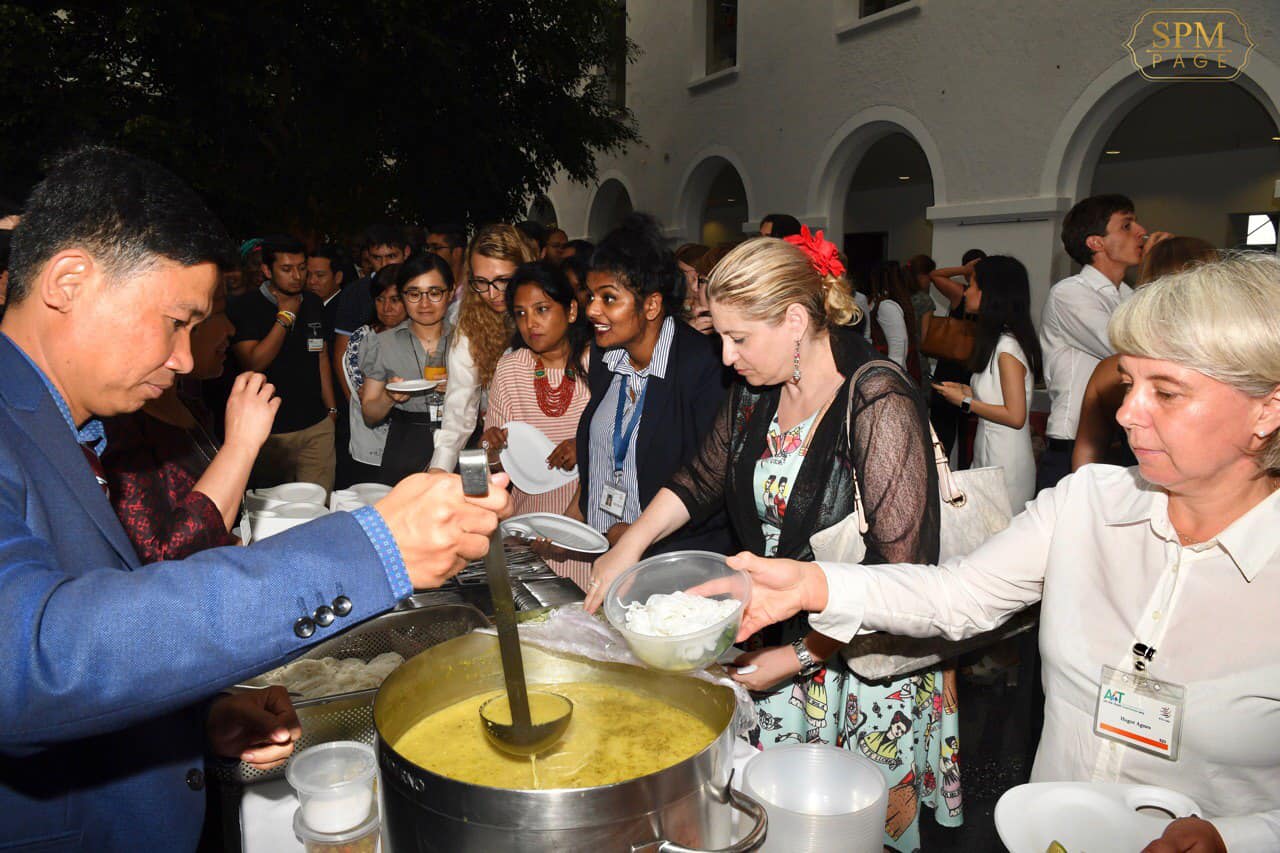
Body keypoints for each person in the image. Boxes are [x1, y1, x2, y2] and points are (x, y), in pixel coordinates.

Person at [0, 146, 510, 851]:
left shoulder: (69, 426)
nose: (185, 357)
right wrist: (369, 546)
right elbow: (33, 658)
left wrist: (191, 721)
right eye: (175, 321)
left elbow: (103, 633)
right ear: (69, 280)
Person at [717, 251, 1280, 853]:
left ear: (1267, 410)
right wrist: (812, 585)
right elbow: (957, 595)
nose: (1125, 412)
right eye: (1128, 383)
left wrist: (1234, 837)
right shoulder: (1087, 502)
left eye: (1165, 392)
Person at [585, 231, 958, 852]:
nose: (726, 357)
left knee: (840, 834)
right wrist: (631, 544)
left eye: (739, 338)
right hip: (782, 639)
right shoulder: (758, 390)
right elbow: (701, 478)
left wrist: (801, 656)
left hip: (860, 664)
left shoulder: (877, 398)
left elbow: (901, 574)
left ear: (794, 321)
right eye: (719, 336)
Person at [575, 213, 732, 553]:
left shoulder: (702, 368)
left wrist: (640, 536)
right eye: (590, 296)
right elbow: (602, 452)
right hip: (603, 551)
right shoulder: (605, 357)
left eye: (608, 298)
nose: (592, 310)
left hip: (670, 563)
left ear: (651, 305)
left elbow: (712, 488)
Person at [101, 274, 273, 560]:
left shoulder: (191, 404)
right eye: (218, 313)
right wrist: (240, 446)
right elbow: (159, 559)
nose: (230, 328)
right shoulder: (120, 428)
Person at [1039, 194, 1169, 491]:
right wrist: (1155, 271)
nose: (1141, 232)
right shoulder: (1070, 293)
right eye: (1126, 226)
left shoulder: (1128, 294)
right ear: (1096, 243)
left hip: (1122, 436)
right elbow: (1129, 346)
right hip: (1075, 441)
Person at [482, 262, 592, 585]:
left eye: (541, 309)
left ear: (571, 311)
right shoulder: (511, 368)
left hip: (588, 520)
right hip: (528, 525)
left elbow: (623, 449)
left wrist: (585, 446)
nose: (530, 323)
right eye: (521, 313)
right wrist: (491, 448)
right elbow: (495, 465)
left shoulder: (598, 363)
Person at [1072, 236, 1217, 471]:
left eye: (1167, 394)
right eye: (1129, 385)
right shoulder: (1232, 370)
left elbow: (1084, 467)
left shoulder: (1110, 370)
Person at [228, 234, 339, 490]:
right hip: (271, 432)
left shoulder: (312, 301)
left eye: (302, 268)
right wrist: (286, 315)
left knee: (319, 503)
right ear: (267, 270)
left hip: (317, 426)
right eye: (287, 269)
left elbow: (320, 354)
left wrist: (331, 410)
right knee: (274, 508)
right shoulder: (247, 306)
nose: (297, 276)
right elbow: (254, 362)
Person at [933, 256, 1044, 509]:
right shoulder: (998, 343)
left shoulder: (1008, 347)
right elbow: (998, 396)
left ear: (990, 293)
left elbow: (1015, 416)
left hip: (1006, 461)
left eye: (972, 285)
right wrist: (967, 391)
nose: (966, 292)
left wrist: (965, 401)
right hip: (988, 452)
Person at [428, 224, 537, 473]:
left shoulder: (553, 315)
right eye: (481, 282)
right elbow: (459, 408)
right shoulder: (471, 322)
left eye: (503, 281)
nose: (492, 293)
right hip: (495, 449)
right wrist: (439, 470)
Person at [360, 253, 455, 484]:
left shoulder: (467, 341)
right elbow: (369, 414)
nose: (424, 303)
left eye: (434, 293)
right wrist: (389, 397)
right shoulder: (383, 343)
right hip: (406, 444)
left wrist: (460, 388)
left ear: (450, 293)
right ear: (403, 296)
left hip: (458, 440)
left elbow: (486, 406)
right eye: (414, 294)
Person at [341, 267, 406, 484]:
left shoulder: (420, 338)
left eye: (395, 300)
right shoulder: (363, 337)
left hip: (409, 444)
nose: (387, 308)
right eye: (380, 299)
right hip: (369, 444)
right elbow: (364, 394)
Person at [331, 224, 411, 397]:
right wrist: (355, 401)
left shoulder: (419, 285)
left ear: (406, 252)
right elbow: (342, 354)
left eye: (391, 256)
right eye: (376, 258)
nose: (384, 264)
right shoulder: (355, 292)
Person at [927, 249, 985, 455]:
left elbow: (936, 276)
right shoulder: (963, 293)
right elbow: (935, 276)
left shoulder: (975, 295)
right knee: (947, 431)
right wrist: (965, 270)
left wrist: (965, 270)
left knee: (963, 433)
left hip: (967, 368)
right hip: (961, 367)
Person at [861, 263, 921, 380]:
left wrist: (893, 378)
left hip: (890, 372)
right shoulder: (881, 302)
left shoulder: (886, 306)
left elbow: (898, 345)